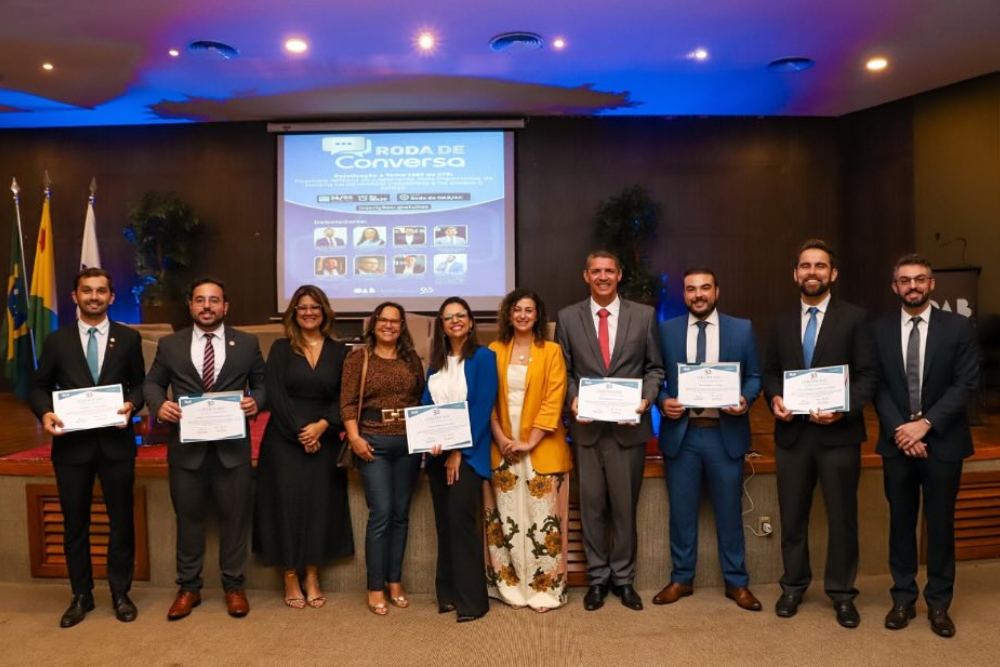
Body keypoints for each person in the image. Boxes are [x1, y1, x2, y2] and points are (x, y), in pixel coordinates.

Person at [762, 239, 877, 627]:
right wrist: (775, 396)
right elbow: (769, 371)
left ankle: (843, 593)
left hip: (838, 435)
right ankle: (793, 586)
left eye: (820, 266)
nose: (813, 272)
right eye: (806, 266)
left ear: (833, 274)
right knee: (792, 517)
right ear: (795, 273)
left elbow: (867, 377)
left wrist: (842, 408)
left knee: (843, 517)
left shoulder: (856, 318)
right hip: (792, 435)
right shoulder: (779, 321)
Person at [144, 278, 266, 620]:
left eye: (214, 300)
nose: (207, 306)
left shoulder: (246, 343)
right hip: (187, 451)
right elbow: (152, 382)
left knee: (235, 520)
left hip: (232, 451)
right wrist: (158, 406)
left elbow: (263, 383)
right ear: (191, 305)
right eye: (200, 300)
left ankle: (233, 586)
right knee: (189, 520)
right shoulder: (170, 345)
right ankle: (189, 588)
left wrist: (256, 401)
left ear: (225, 306)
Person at [29, 268, 145, 627]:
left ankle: (120, 593)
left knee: (121, 522)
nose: (93, 297)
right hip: (72, 448)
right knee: (74, 524)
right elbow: (39, 386)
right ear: (74, 297)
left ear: (112, 297)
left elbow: (140, 384)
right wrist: (45, 412)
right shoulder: (56, 341)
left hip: (116, 446)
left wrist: (132, 404)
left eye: (101, 291)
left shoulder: (128, 338)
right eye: (86, 291)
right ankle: (81, 595)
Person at [872, 254, 979, 638]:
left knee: (940, 526)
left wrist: (925, 426)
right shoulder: (879, 330)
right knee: (900, 524)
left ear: (932, 285)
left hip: (943, 443)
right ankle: (902, 598)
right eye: (905, 280)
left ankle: (938, 604)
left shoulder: (959, 327)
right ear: (894, 287)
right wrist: (903, 430)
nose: (912, 286)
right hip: (897, 443)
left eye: (919, 279)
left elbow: (965, 384)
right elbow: (878, 386)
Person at [555, 250, 664, 612]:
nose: (602, 276)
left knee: (623, 509)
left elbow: (655, 369)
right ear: (586, 276)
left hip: (627, 431)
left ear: (619, 275)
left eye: (609, 271)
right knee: (591, 510)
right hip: (586, 432)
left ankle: (624, 580)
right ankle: (597, 580)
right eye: (596, 271)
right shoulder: (568, 317)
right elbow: (565, 371)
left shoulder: (644, 315)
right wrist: (572, 399)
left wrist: (646, 400)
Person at [654, 268, 762, 611]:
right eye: (690, 289)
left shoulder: (741, 328)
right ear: (683, 295)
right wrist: (662, 401)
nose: (697, 294)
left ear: (717, 290)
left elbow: (755, 376)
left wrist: (744, 399)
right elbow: (658, 377)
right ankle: (681, 578)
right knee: (682, 514)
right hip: (682, 436)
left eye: (704, 288)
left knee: (730, 512)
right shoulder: (667, 330)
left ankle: (737, 582)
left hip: (723, 435)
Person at [253, 285, 353, 610]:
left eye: (315, 307)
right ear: (294, 314)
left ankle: (312, 574)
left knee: (319, 505)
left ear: (324, 312)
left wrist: (322, 426)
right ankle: (290, 575)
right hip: (284, 438)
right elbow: (276, 395)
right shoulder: (282, 348)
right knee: (286, 505)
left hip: (325, 437)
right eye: (302, 307)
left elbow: (345, 397)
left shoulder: (340, 352)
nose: (309, 312)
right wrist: (301, 432)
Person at [485, 288, 571, 612]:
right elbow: (488, 401)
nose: (522, 315)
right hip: (504, 449)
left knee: (543, 520)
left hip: (542, 448)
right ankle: (511, 588)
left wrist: (528, 441)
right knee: (506, 521)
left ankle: (545, 591)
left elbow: (553, 399)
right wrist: (502, 438)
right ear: (509, 314)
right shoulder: (493, 350)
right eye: (517, 309)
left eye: (529, 310)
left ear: (538, 316)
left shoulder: (551, 351)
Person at [341, 302, 425, 616]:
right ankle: (375, 586)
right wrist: (354, 437)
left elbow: (419, 399)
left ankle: (394, 581)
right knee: (382, 513)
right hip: (371, 443)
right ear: (374, 324)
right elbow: (347, 403)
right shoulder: (358, 358)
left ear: (402, 326)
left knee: (401, 515)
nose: (389, 326)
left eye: (395, 321)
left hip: (408, 443)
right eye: (383, 320)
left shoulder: (411, 358)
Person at [422, 297, 498, 622]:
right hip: (437, 455)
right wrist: (430, 442)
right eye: (448, 317)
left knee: (461, 521)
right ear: (442, 324)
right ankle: (448, 593)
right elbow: (426, 406)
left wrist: (457, 452)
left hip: (468, 454)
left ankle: (473, 602)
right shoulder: (435, 363)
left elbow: (481, 409)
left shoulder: (484, 357)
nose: (455, 321)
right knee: (444, 524)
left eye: (460, 315)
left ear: (470, 322)